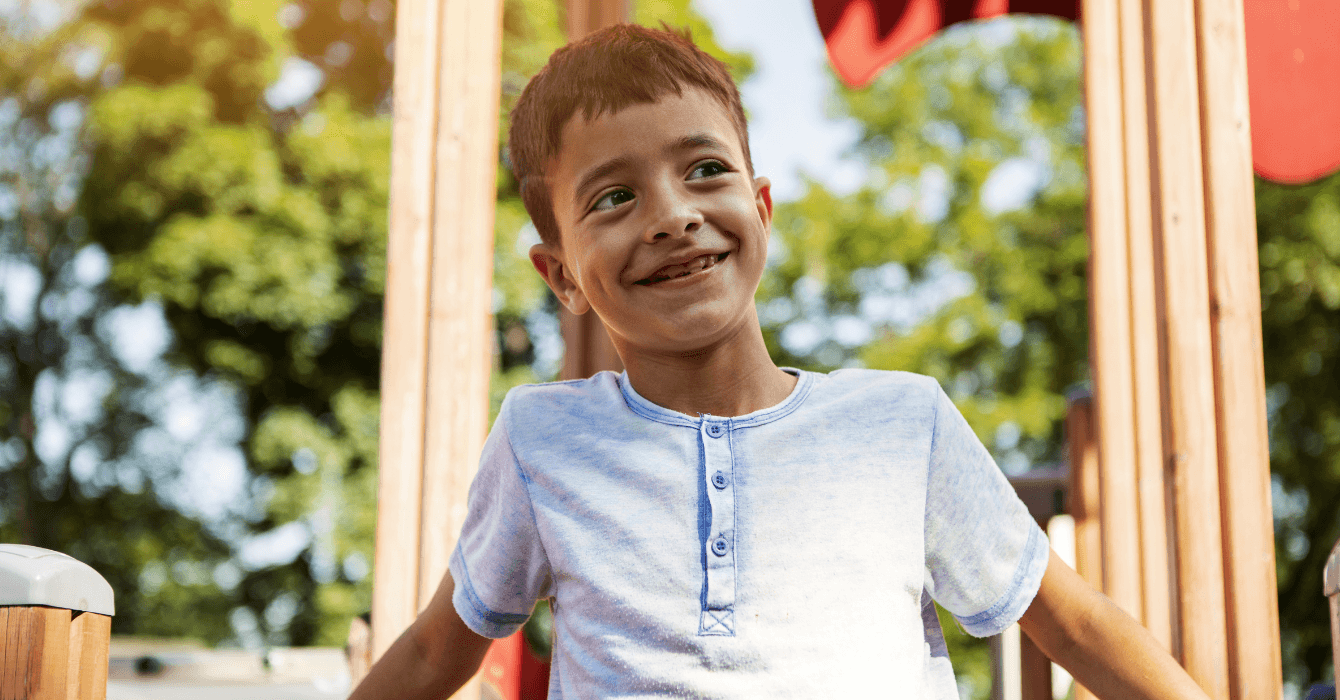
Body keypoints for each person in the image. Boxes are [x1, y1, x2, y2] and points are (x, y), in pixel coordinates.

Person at [350, 23, 1210, 699]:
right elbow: (436, 650)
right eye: (614, 196)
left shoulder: (900, 425)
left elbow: (1074, 624)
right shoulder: (541, 440)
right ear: (561, 273)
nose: (671, 215)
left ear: (760, 208)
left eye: (704, 170)